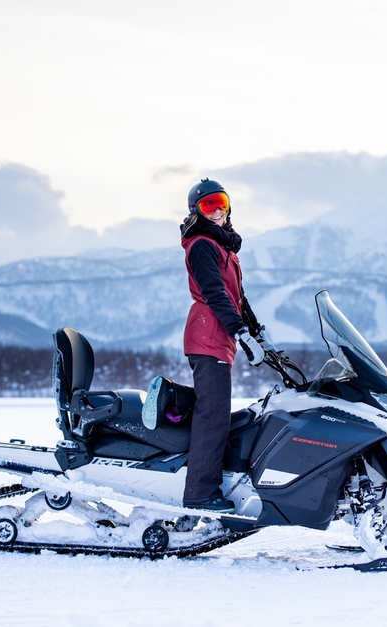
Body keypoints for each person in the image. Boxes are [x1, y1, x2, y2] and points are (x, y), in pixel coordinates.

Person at [143, 178, 271, 514]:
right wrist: (240, 332)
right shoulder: (202, 245)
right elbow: (215, 293)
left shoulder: (223, 247)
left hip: (217, 335)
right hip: (208, 332)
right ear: (196, 211)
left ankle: (172, 397)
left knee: (213, 407)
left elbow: (237, 297)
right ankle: (200, 493)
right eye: (207, 205)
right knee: (213, 416)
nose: (216, 211)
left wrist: (256, 331)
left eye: (220, 203)